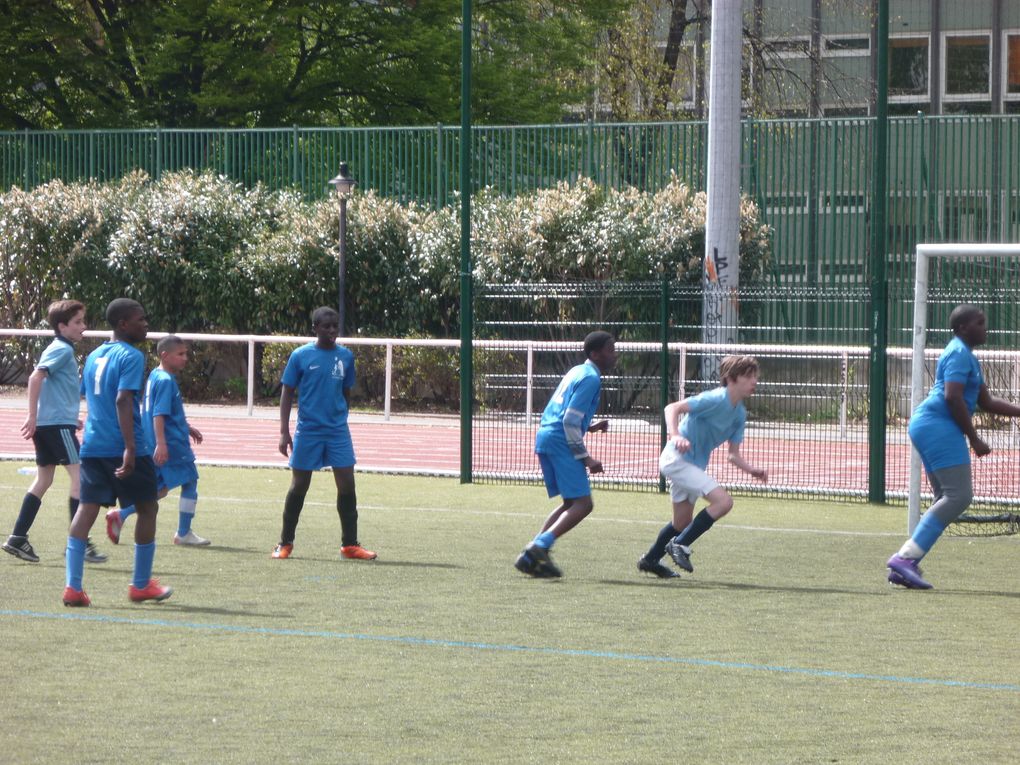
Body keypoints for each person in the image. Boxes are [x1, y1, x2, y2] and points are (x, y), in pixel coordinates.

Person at [887, 304, 1020, 589]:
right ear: (962, 328)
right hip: (938, 426)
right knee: (959, 496)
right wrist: (973, 437)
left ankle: (904, 565)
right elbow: (952, 397)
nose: (986, 328)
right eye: (980, 323)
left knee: (945, 497)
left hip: (930, 425)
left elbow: (986, 402)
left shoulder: (966, 355)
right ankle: (904, 558)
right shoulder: (959, 353)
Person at [62, 298, 172, 606]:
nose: (146, 324)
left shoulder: (95, 355)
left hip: (94, 445)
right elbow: (123, 401)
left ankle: (73, 587)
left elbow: (88, 396)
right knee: (148, 507)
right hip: (123, 446)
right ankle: (140, 585)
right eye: (141, 319)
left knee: (87, 508)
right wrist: (130, 447)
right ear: (123, 324)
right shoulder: (132, 356)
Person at [639, 355, 768, 578]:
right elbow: (672, 408)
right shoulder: (715, 399)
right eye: (748, 376)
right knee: (724, 502)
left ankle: (650, 559)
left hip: (692, 466)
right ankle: (680, 545)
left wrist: (751, 470)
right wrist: (676, 435)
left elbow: (733, 455)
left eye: (755, 376)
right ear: (730, 379)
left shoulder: (739, 414)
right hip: (676, 460)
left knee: (682, 522)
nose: (754, 381)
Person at [3, 300, 107, 565]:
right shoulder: (61, 349)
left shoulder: (61, 349)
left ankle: (17, 537)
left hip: (55, 424)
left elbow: (54, 388)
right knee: (81, 478)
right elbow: (35, 378)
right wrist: (33, 416)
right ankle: (78, 543)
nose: (84, 327)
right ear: (62, 326)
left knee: (44, 480)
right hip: (55, 426)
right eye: (78, 322)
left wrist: (68, 419)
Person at [272, 306, 376, 561]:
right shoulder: (300, 356)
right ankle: (285, 543)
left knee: (347, 483)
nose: (331, 330)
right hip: (308, 430)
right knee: (299, 485)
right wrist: (284, 432)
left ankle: (350, 545)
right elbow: (287, 393)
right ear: (315, 328)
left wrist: (340, 416)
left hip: (337, 431)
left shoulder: (346, 356)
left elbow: (346, 392)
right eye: (326, 326)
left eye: (335, 326)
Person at [514, 331, 616, 578]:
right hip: (561, 440)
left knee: (571, 503)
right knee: (583, 504)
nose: (615, 355)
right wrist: (586, 458)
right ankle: (540, 546)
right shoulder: (591, 378)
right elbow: (570, 420)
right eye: (610, 350)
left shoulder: (576, 371)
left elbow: (560, 411)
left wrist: (589, 427)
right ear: (595, 354)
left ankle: (531, 555)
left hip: (547, 436)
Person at [105, 335, 209, 547]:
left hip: (157, 442)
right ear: (165, 355)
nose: (185, 358)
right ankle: (183, 532)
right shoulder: (165, 381)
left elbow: (160, 411)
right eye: (180, 354)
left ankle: (121, 514)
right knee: (189, 482)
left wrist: (186, 427)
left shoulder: (155, 375)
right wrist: (162, 443)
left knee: (159, 489)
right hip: (171, 445)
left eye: (185, 354)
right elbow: (158, 415)